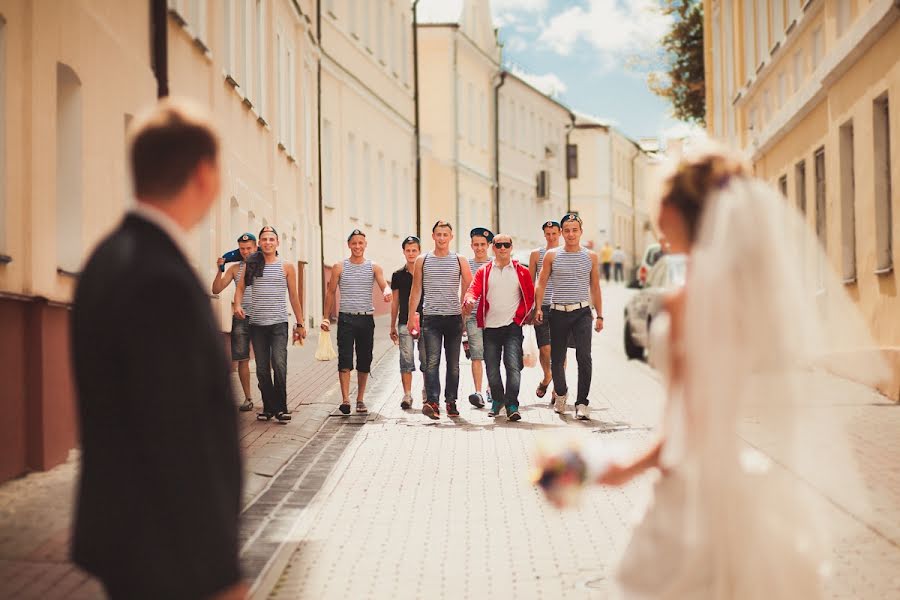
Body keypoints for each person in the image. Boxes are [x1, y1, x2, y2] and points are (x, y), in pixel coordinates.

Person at [537, 148, 889, 598]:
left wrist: (617, 467)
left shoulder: (693, 302)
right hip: (735, 480)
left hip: (691, 489)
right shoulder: (739, 298)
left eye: (658, 200)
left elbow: (690, 418)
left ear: (674, 210)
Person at [71, 99, 246, 600]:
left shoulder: (107, 258)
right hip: (169, 559)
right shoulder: (160, 279)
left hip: (128, 539)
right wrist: (221, 575)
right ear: (204, 175)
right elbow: (179, 437)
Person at [534, 213, 604, 420]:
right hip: (557, 313)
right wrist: (538, 307)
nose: (571, 234)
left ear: (581, 232)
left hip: (582, 313)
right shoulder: (552, 255)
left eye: (575, 230)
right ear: (562, 233)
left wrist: (600, 315)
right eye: (567, 230)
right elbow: (541, 282)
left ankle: (582, 402)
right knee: (558, 358)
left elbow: (595, 287)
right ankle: (561, 394)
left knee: (584, 357)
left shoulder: (590, 256)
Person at [234, 225, 306, 423]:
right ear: (259, 244)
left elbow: (293, 295)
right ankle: (268, 407)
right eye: (264, 239)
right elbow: (240, 288)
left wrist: (300, 323)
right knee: (262, 368)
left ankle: (281, 408)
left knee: (279, 364)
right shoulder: (252, 264)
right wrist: (238, 305)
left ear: (277, 243)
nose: (267, 242)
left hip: (279, 324)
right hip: (257, 324)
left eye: (271, 239)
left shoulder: (286, 266)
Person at [463, 234, 535, 420]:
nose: (502, 248)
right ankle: (497, 400)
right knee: (492, 369)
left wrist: (519, 318)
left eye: (506, 245)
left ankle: (512, 404)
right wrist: (469, 299)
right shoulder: (485, 271)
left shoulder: (521, 272)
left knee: (512, 366)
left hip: (512, 327)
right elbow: (473, 289)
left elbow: (530, 296)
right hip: (490, 328)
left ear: (511, 247)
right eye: (499, 245)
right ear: (493, 248)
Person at [407, 220, 473, 419]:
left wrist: (465, 315)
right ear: (433, 236)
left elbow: (468, 288)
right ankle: (433, 403)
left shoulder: (459, 259)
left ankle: (451, 401)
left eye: (445, 234)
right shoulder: (423, 260)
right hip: (431, 319)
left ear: (451, 237)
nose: (442, 238)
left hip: (454, 318)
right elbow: (416, 289)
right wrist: (411, 316)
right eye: (438, 234)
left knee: (453, 364)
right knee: (431, 362)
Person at [321, 229, 392, 414]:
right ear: (349, 245)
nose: (358, 246)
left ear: (365, 245)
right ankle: (345, 399)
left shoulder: (373, 267)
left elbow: (383, 284)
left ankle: (360, 399)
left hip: (366, 319)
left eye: (361, 243)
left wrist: (387, 291)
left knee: (364, 359)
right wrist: (326, 318)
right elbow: (330, 293)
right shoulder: (339, 267)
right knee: (344, 358)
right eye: (354, 243)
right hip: (346, 318)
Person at [212, 232, 258, 411]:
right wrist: (220, 269)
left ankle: (267, 388)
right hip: (241, 317)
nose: (246, 251)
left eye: (249, 248)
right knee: (242, 358)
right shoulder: (234, 269)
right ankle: (248, 398)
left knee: (266, 357)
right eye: (242, 249)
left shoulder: (265, 265)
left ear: (255, 248)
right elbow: (216, 289)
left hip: (262, 316)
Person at [390, 235, 425, 409]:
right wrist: (392, 325)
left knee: (427, 358)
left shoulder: (426, 272)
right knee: (406, 359)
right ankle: (407, 395)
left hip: (426, 321)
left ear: (419, 252)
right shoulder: (397, 275)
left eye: (414, 250)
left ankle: (428, 393)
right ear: (404, 252)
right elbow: (395, 302)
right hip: (404, 321)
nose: (411, 254)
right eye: (408, 250)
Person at [528, 220, 560, 402]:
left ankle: (558, 388)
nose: (551, 237)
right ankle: (547, 376)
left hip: (561, 306)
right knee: (545, 349)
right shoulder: (536, 254)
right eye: (548, 234)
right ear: (544, 234)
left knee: (560, 350)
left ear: (560, 233)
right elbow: (530, 283)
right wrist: (532, 307)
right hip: (542, 307)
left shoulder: (566, 254)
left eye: (554, 233)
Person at [465, 227, 493, 408]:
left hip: (493, 317)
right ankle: (478, 392)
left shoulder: (495, 263)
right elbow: (462, 291)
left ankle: (492, 389)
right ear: (471, 245)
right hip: (473, 317)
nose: (479, 248)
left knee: (492, 355)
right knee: (476, 355)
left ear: (489, 245)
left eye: (483, 244)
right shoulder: (466, 265)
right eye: (476, 244)